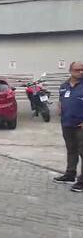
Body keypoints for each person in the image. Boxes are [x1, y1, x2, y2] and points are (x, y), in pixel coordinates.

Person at [54, 61, 83, 192]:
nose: (81, 72)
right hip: (67, 123)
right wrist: (60, 108)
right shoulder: (64, 86)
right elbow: (62, 100)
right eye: (78, 70)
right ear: (70, 71)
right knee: (71, 150)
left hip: (81, 125)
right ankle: (70, 174)